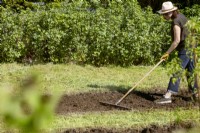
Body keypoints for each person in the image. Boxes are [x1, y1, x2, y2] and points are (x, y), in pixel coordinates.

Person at [155, 1, 198, 104]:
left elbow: (177, 40)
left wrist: (167, 53)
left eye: (164, 14)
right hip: (192, 46)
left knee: (177, 70)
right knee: (191, 71)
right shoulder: (181, 16)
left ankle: (168, 96)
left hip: (185, 48)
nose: (163, 17)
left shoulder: (175, 22)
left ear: (169, 13)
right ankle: (196, 94)